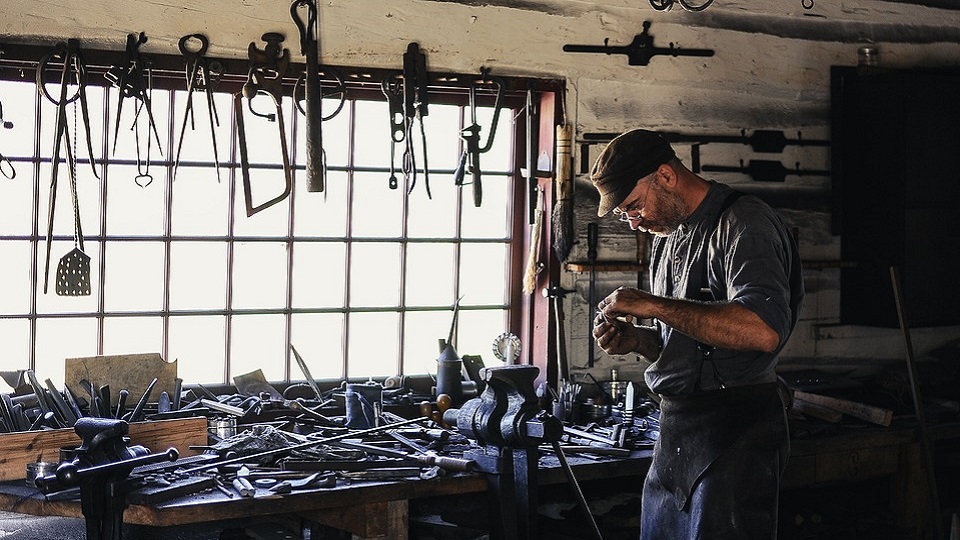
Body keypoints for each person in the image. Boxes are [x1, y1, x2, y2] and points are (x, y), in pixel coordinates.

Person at [590, 129, 804, 539]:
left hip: (735, 430)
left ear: (666, 177)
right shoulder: (671, 238)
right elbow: (690, 345)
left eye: (634, 206)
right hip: (678, 431)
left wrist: (652, 304)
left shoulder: (744, 223)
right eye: (624, 216)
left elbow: (762, 331)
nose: (635, 222)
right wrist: (640, 341)